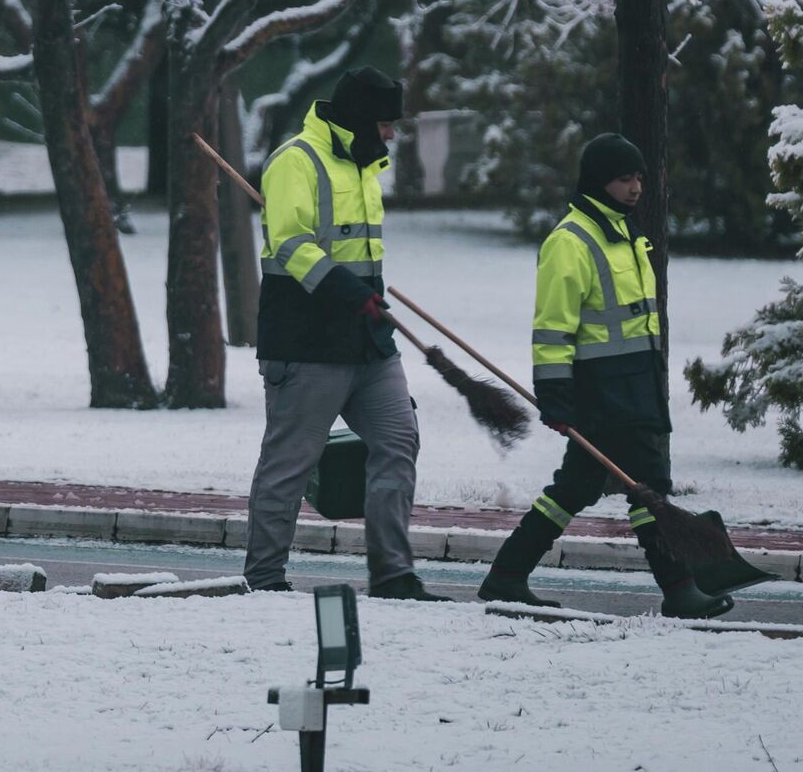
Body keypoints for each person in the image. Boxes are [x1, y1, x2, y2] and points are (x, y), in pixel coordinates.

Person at [477, 134, 732, 618]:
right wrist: (554, 394)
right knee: (648, 484)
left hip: (635, 383)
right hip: (600, 390)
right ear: (599, 182)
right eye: (624, 179)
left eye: (639, 177)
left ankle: (507, 575)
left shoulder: (627, 234)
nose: (636, 187)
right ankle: (678, 589)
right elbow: (553, 328)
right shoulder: (570, 241)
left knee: (574, 488)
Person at [243, 68, 449, 601]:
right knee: (290, 461)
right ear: (359, 119)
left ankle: (393, 576)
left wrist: (366, 296)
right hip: (307, 341)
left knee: (398, 441)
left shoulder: (362, 165)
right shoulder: (296, 160)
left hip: (369, 340)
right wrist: (347, 291)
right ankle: (264, 578)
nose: (391, 135)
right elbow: (290, 244)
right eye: (385, 123)